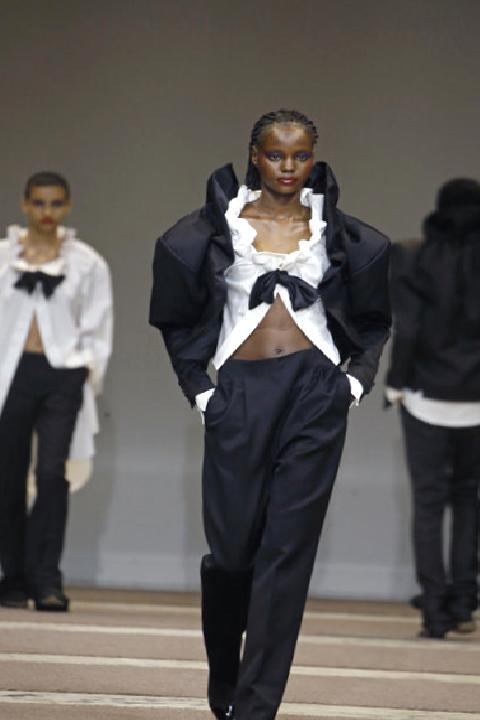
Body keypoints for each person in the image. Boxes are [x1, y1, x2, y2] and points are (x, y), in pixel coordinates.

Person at [150, 110, 390, 720]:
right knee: (232, 556)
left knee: (287, 554)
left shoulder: (339, 234)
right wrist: (200, 392)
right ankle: (225, 672)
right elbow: (175, 318)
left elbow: (374, 320)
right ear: (255, 155)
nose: (288, 166)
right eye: (277, 154)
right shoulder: (212, 230)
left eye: (300, 155)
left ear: (314, 158)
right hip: (240, 394)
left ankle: (257, 708)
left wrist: (353, 384)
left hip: (315, 391)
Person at [0, 171, 113, 612]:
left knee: (52, 474)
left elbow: (98, 326)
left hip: (62, 376)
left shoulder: (87, 263)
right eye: (39, 203)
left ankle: (46, 579)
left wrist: (85, 373)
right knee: (8, 476)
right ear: (25, 204)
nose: (47, 212)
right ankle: (12, 578)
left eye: (55, 203)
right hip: (10, 376)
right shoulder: (3, 258)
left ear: (67, 206)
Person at [385, 178, 480, 639]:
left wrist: (395, 382)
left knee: (428, 503)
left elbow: (408, 330)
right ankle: (463, 601)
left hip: (424, 396)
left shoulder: (411, 257)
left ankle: (435, 612)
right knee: (468, 500)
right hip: (477, 399)